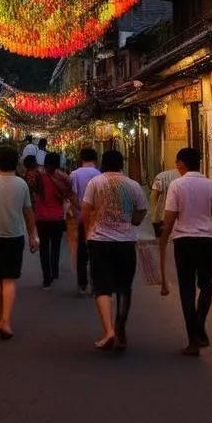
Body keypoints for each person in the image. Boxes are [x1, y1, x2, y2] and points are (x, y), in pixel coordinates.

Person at [158, 147, 212, 357]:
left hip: (183, 243)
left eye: (177, 162)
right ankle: (200, 323)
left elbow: (170, 217)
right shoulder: (211, 185)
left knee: (187, 289)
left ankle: (193, 336)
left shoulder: (176, 185)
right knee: (207, 285)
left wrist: (163, 239)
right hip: (205, 242)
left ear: (181, 163)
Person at [81, 149, 148, 352]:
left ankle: (108, 330)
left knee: (102, 287)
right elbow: (143, 208)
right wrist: (134, 220)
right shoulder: (132, 184)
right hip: (126, 242)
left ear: (103, 164)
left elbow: (85, 209)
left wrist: (88, 232)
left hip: (99, 241)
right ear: (121, 164)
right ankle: (120, 328)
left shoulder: (95, 183)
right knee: (124, 287)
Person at [0, 145, 38, 339]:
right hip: (15, 237)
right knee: (9, 279)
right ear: (16, 164)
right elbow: (28, 213)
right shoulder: (22, 185)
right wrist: (33, 234)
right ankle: (6, 321)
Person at [34, 152, 72, 289]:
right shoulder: (62, 176)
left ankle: (46, 279)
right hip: (57, 217)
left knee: (44, 247)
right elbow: (70, 187)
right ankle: (54, 271)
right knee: (55, 246)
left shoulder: (40, 176)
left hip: (42, 217)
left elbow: (36, 194)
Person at [68, 147, 101, 295]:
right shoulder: (100, 175)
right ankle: (96, 283)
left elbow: (72, 195)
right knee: (96, 251)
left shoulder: (74, 174)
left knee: (82, 251)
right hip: (97, 218)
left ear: (81, 159)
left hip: (81, 217)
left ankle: (82, 283)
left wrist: (80, 209)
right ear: (95, 159)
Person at [149, 165, 180, 238]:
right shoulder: (199, 180)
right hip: (182, 222)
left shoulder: (162, 176)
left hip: (163, 218)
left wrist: (153, 216)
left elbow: (153, 196)